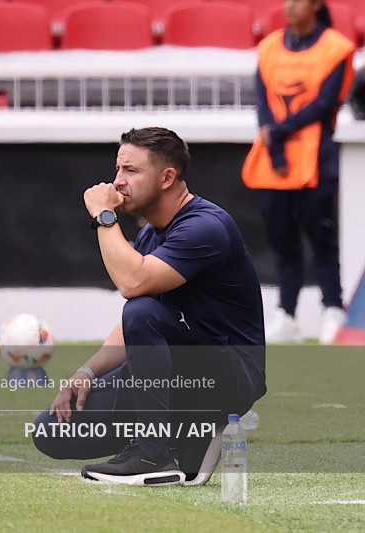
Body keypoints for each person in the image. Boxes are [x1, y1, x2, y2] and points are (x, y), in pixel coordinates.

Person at [32, 128, 267, 486]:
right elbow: (137, 328)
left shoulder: (205, 226)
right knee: (51, 430)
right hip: (177, 373)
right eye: (118, 169)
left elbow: (133, 286)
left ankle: (151, 453)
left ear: (167, 178)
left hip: (230, 376)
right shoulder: (148, 234)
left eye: (131, 171)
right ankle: (189, 437)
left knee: (140, 309)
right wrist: (87, 372)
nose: (118, 182)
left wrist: (105, 217)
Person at [242, 0, 355, 344]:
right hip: (274, 161)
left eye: (298, 0)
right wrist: (273, 141)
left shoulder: (336, 48)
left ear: (316, 4)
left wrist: (278, 131)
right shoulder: (269, 47)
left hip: (315, 158)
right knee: (282, 238)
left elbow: (325, 104)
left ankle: (332, 309)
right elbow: (263, 101)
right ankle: (287, 313)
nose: (289, 6)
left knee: (321, 238)